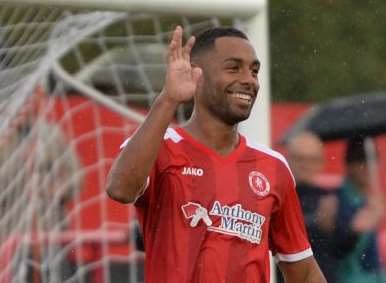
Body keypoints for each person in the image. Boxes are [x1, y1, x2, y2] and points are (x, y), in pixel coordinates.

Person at [105, 26, 326, 283]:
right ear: (196, 75)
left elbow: (303, 270)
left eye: (254, 71)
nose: (249, 80)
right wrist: (168, 99)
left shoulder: (272, 167)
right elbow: (120, 189)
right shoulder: (162, 146)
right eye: (234, 68)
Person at [280, 132, 338, 283]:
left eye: (312, 160)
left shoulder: (330, 198)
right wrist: (318, 222)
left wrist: (351, 228)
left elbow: (344, 246)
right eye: (300, 159)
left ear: (321, 162)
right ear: (288, 160)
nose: (306, 165)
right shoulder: (279, 195)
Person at [334, 136, 385, 283]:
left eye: (372, 159)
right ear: (348, 164)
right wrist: (358, 228)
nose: (367, 166)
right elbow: (339, 251)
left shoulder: (369, 199)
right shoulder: (340, 200)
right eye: (359, 159)